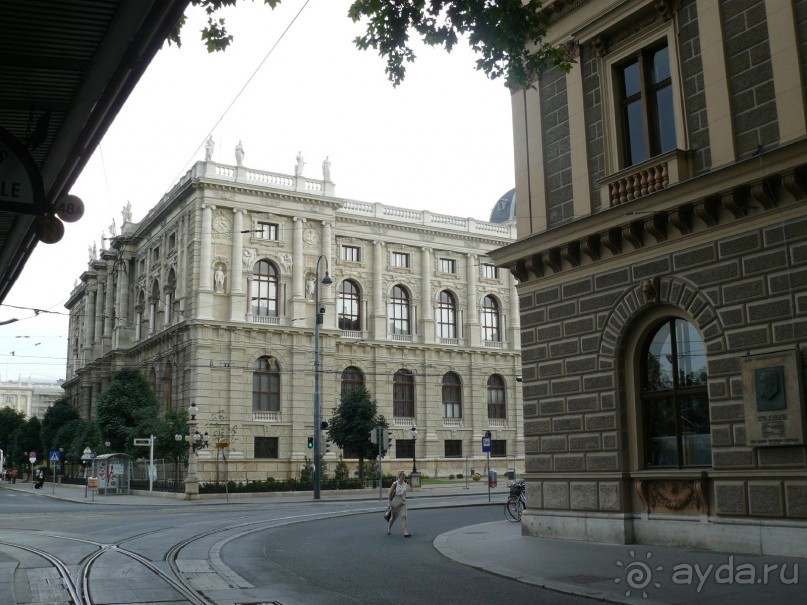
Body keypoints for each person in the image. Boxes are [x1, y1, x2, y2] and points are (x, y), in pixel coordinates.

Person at [387, 470, 411, 537]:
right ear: (399, 476)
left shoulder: (405, 483)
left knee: (404, 517)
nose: (404, 476)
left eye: (404, 475)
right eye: (402, 475)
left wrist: (405, 500)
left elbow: (404, 493)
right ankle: (389, 528)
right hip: (395, 503)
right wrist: (389, 503)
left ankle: (405, 532)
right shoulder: (395, 483)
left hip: (402, 503)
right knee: (393, 518)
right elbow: (390, 493)